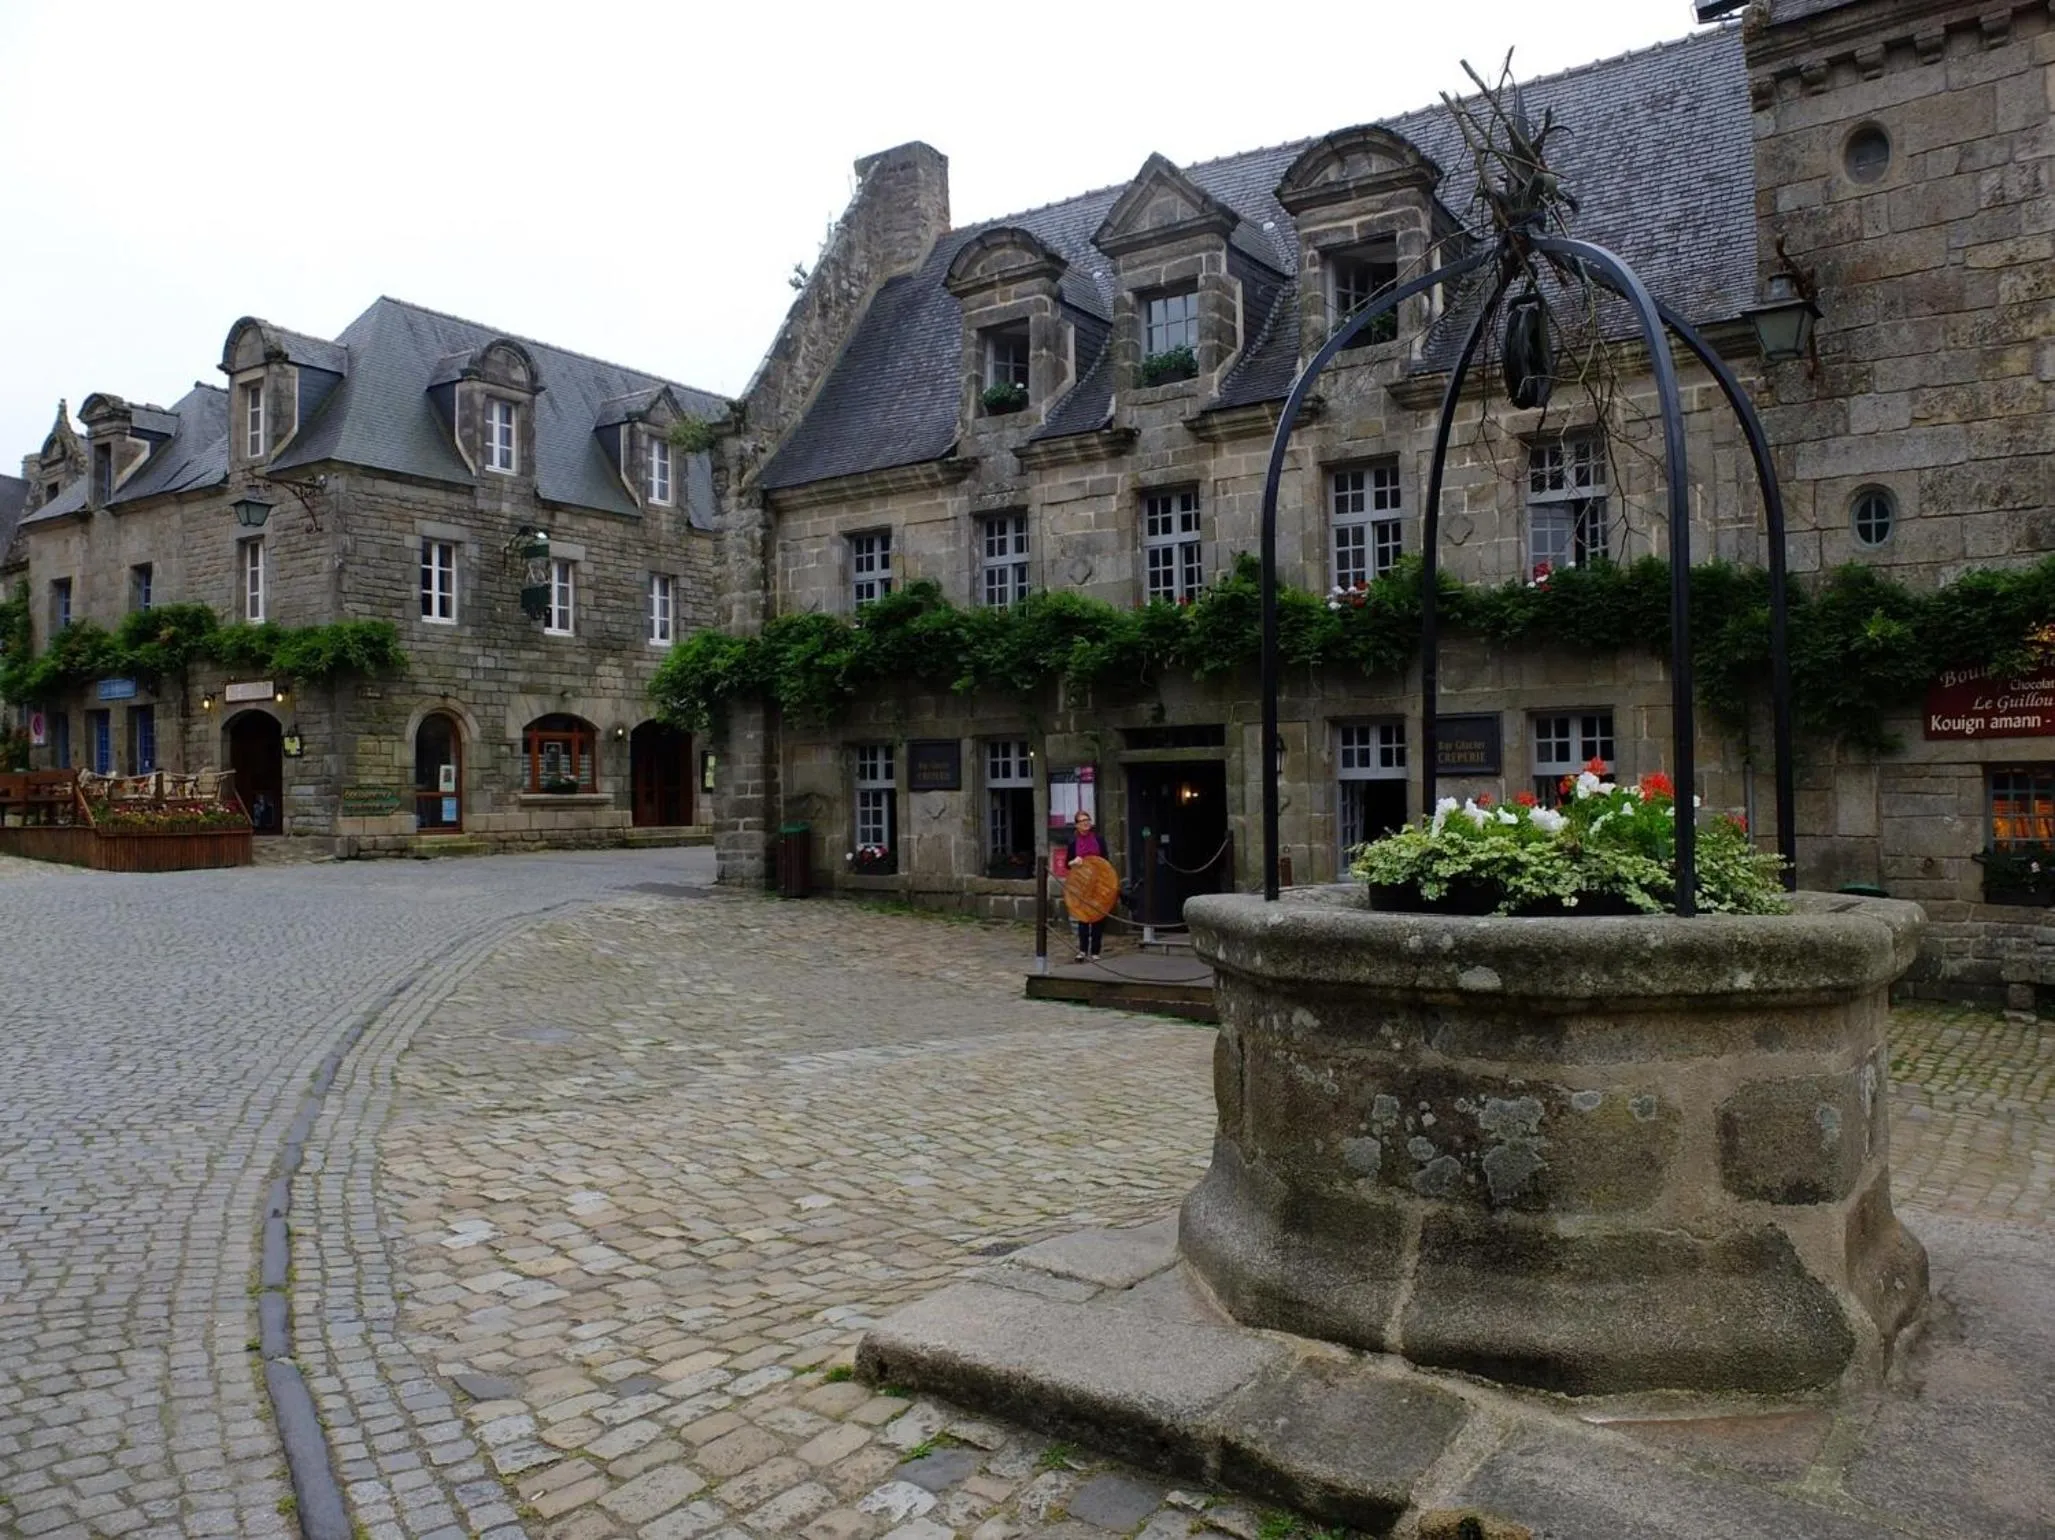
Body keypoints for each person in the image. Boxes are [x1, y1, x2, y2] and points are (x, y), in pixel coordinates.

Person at [1064, 809, 1109, 963]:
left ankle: (1095, 951)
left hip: (1098, 882)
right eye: (1082, 821)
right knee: (1083, 917)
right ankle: (1082, 950)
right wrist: (1074, 862)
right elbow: (1067, 864)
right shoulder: (1073, 843)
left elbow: (1106, 862)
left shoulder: (1099, 840)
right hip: (1081, 884)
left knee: (1097, 916)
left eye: (1088, 820)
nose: (1086, 823)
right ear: (1077, 825)